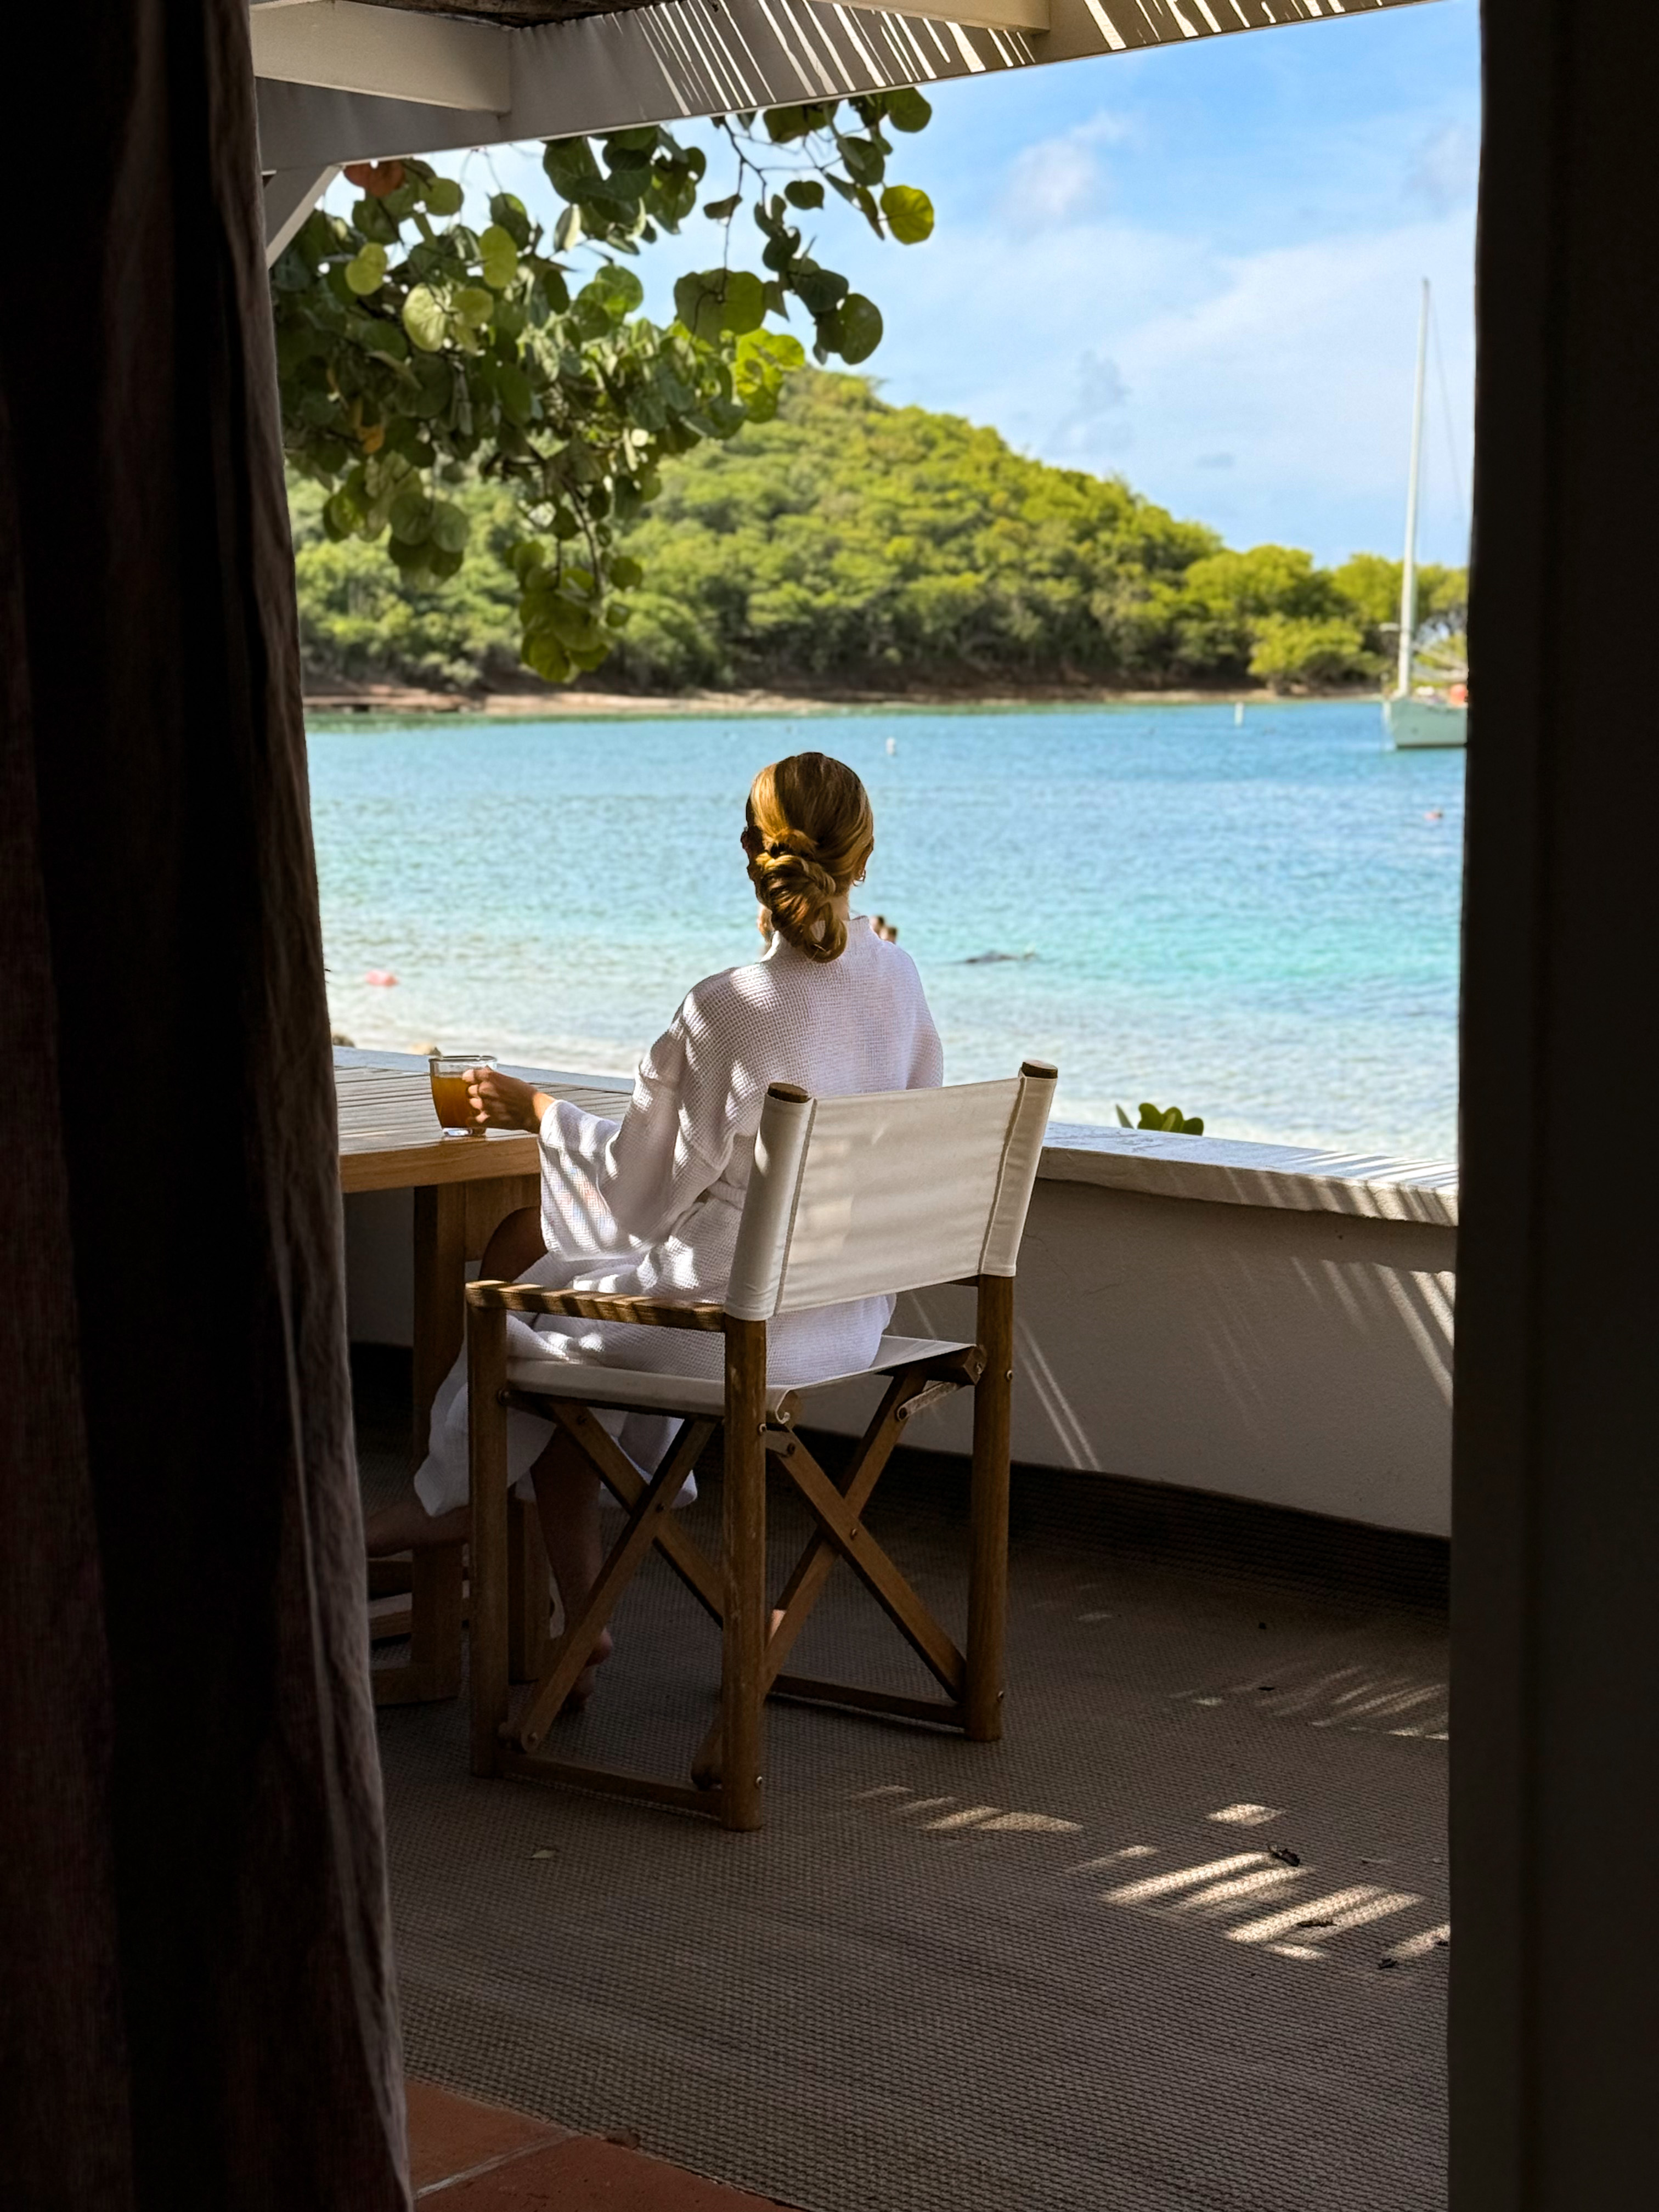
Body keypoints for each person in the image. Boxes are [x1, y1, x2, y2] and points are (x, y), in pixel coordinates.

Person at [364, 752, 943, 1707]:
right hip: (845, 1316)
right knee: (524, 1256)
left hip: (733, 1329)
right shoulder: (899, 981)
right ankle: (562, 1605)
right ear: (864, 859)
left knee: (527, 1330)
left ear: (751, 854)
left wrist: (535, 1108)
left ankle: (450, 1510)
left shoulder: (730, 1011)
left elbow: (632, 1202)